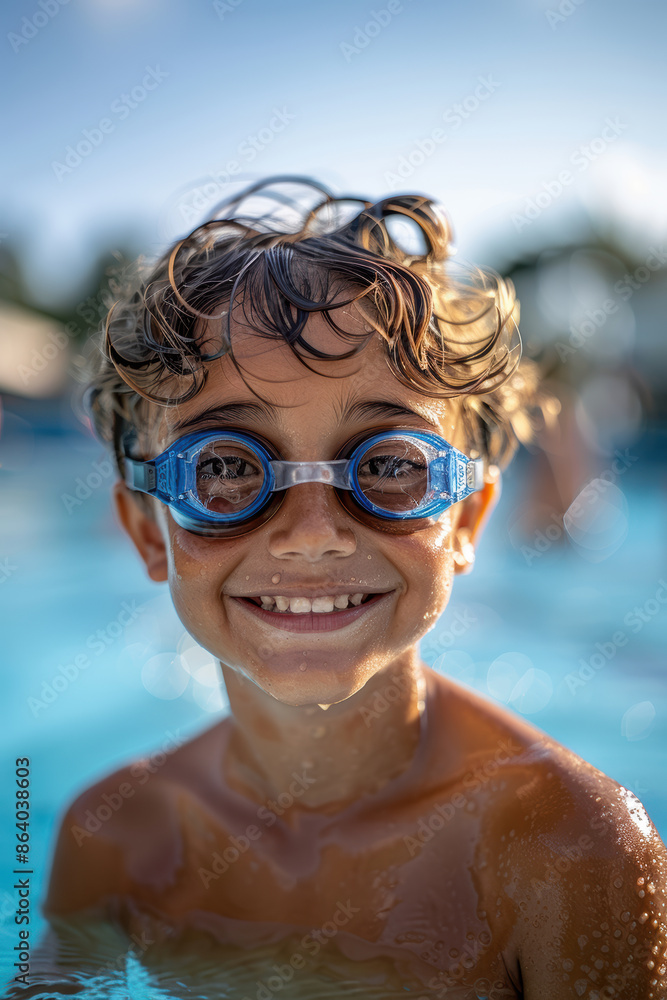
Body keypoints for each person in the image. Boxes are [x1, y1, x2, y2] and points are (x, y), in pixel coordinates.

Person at [38, 177, 666, 998]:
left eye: (387, 468)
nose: (311, 534)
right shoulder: (111, 837)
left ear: (468, 521)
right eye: (226, 469)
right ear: (143, 531)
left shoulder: (566, 852)